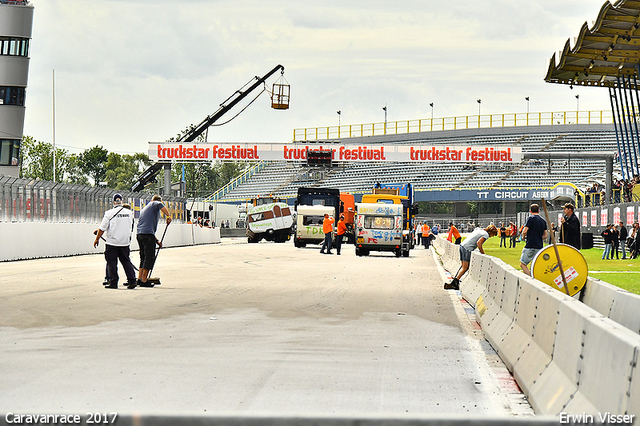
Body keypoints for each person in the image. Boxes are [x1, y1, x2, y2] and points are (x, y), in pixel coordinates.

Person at [93, 193, 137, 290]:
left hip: (112, 242)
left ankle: (113, 282)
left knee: (111, 262)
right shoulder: (129, 213)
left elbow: (102, 228)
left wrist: (97, 239)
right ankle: (132, 280)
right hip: (125, 242)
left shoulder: (109, 213)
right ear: (121, 201)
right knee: (126, 261)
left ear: (113, 202)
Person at [444, 224, 498, 290]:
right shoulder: (486, 235)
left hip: (462, 246)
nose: (492, 236)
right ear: (492, 232)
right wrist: (483, 253)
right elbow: (479, 243)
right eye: (493, 234)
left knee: (463, 267)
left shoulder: (479, 230)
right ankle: (455, 282)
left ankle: (454, 282)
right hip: (467, 248)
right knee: (465, 268)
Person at [136, 195, 172, 288]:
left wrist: (157, 241)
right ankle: (144, 280)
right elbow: (160, 204)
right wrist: (168, 216)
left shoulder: (145, 209)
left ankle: (139, 279)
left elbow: (147, 229)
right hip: (147, 236)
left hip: (140, 235)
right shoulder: (154, 203)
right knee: (149, 257)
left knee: (143, 257)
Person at [520, 204, 548, 276]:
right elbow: (545, 236)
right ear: (538, 211)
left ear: (530, 211)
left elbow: (525, 230)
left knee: (523, 264)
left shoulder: (530, 219)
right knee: (536, 265)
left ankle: (531, 279)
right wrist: (538, 237)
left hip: (530, 245)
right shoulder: (543, 221)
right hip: (539, 246)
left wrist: (523, 237)